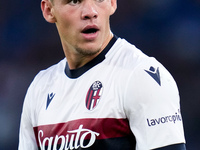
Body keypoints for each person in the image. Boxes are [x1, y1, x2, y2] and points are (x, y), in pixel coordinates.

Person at [18, 0, 186, 149]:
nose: (90, 12)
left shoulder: (141, 76)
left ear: (113, 3)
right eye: (75, 1)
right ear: (48, 10)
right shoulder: (39, 88)